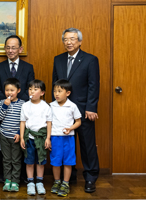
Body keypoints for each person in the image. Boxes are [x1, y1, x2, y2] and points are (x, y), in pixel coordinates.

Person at [52, 27, 100, 193]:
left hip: (83, 110)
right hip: (62, 111)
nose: (69, 42)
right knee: (65, 144)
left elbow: (94, 85)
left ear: (80, 41)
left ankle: (90, 177)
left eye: (72, 39)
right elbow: (55, 85)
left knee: (87, 145)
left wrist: (91, 107)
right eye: (66, 39)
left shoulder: (90, 59)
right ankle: (69, 177)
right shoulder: (58, 59)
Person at [0, 35, 34, 182]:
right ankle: (4, 175)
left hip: (21, 111)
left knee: (20, 143)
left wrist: (18, 101)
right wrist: (6, 101)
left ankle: (20, 176)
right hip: (4, 109)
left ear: (20, 49)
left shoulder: (28, 68)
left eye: (14, 47)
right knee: (4, 146)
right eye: (8, 47)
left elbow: (30, 88)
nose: (10, 50)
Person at [19, 80, 52, 196]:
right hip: (29, 138)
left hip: (41, 138)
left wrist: (48, 138)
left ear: (42, 92)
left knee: (40, 161)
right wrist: (22, 137)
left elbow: (49, 123)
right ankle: (30, 182)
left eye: (35, 89)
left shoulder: (46, 106)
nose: (32, 91)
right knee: (29, 161)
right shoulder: (25, 105)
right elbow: (22, 122)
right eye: (30, 89)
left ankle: (39, 182)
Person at [50, 79, 81, 197]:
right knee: (56, 161)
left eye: (59, 91)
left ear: (67, 93)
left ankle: (65, 183)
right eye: (54, 91)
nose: (56, 94)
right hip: (55, 137)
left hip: (68, 138)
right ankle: (57, 181)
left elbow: (78, 121)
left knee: (68, 161)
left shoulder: (72, 106)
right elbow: (48, 122)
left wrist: (70, 128)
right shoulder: (51, 105)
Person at [0, 78, 25, 192]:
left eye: (12, 90)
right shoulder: (1, 102)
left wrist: (19, 134)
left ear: (18, 90)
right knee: (6, 159)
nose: (9, 92)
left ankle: (15, 181)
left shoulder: (23, 104)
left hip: (16, 136)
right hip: (4, 135)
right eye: (7, 90)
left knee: (16, 160)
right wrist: (5, 106)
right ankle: (7, 180)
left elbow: (23, 121)